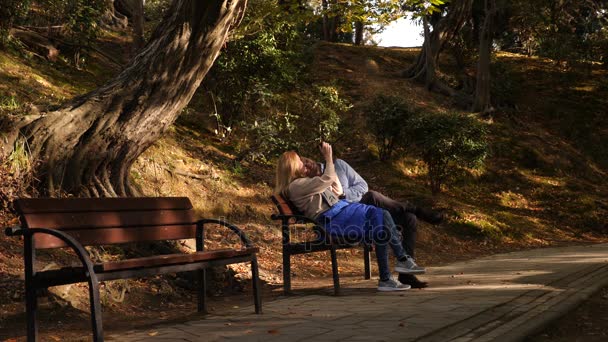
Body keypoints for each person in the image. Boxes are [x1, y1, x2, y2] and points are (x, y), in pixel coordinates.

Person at [275, 142, 426, 292]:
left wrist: (330, 170)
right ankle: (399, 264)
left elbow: (337, 188)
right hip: (333, 220)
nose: (303, 163)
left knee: (381, 221)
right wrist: (328, 158)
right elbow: (328, 179)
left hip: (341, 212)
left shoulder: (304, 183)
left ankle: (390, 275)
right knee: (380, 216)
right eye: (300, 162)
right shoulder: (297, 186)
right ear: (292, 166)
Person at [301, 157, 443, 288]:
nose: (307, 166)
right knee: (373, 196)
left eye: (306, 162)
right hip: (351, 215)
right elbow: (333, 205)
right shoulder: (314, 184)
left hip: (363, 207)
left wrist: (345, 194)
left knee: (409, 218)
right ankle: (416, 209)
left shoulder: (339, 165)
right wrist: (345, 198)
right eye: (303, 168)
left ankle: (407, 275)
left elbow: (362, 186)